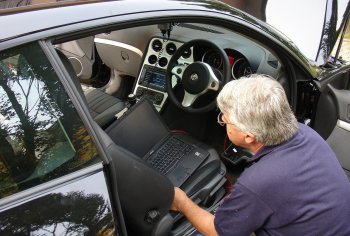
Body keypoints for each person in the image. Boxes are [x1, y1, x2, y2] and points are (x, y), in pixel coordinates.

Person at [171, 74, 350, 236]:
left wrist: (181, 202)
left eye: (224, 120)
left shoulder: (257, 182)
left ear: (248, 136)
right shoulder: (306, 134)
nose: (223, 122)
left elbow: (219, 232)